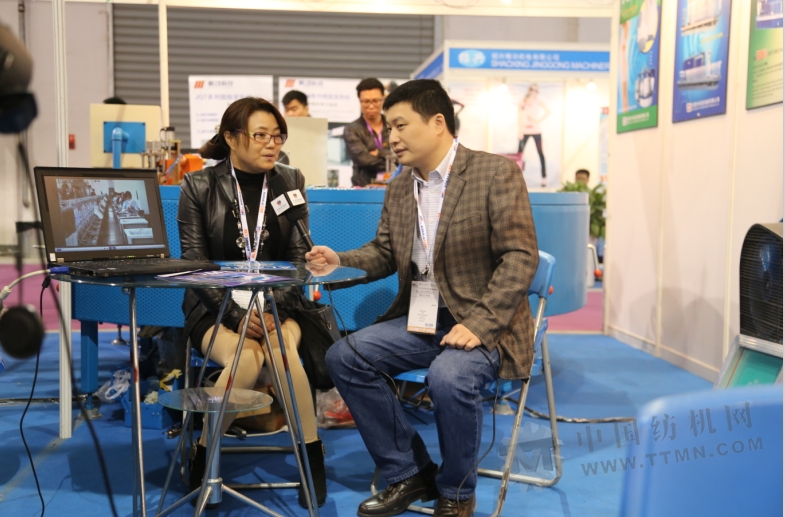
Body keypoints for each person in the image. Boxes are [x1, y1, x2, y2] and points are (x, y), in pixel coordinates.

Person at [307, 80, 538, 517]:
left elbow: (520, 257)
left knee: (448, 377)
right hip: (425, 320)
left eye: (400, 125)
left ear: (437, 123)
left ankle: (456, 492)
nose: (391, 137)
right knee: (345, 357)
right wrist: (339, 260)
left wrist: (480, 323)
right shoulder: (400, 187)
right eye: (388, 127)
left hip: (486, 323)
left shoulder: (494, 173)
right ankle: (410, 472)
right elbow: (383, 252)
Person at [177, 97, 326, 508]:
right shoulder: (198, 186)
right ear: (231, 138)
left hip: (279, 304)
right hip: (216, 306)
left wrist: (273, 308)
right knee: (244, 359)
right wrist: (238, 316)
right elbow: (195, 264)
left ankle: (311, 459)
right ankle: (206, 455)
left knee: (281, 355)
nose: (271, 144)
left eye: (278, 136)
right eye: (261, 135)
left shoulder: (289, 180)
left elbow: (299, 261)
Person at [343, 78, 392, 186]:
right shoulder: (352, 129)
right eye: (366, 101)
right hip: (363, 187)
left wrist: (379, 153)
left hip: (393, 186)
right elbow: (365, 161)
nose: (371, 106)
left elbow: (403, 157)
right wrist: (392, 160)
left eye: (375, 101)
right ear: (359, 101)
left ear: (383, 99)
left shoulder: (393, 125)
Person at [517, 83, 550, 187]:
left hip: (536, 130)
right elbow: (520, 116)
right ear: (529, 90)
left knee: (540, 153)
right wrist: (520, 131)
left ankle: (544, 177)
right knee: (520, 154)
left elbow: (548, 111)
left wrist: (537, 120)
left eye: (535, 90)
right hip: (525, 131)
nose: (533, 92)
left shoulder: (538, 101)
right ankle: (518, 176)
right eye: (532, 89)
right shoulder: (523, 101)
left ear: (537, 92)